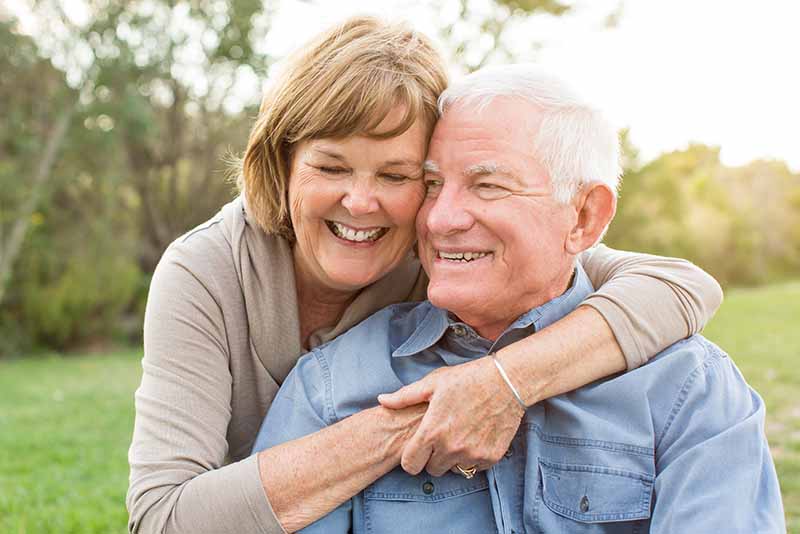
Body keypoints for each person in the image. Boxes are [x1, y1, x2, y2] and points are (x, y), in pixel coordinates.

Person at [127, 17, 724, 534]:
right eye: (331, 166)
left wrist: (502, 383)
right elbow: (161, 519)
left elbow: (680, 287)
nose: (361, 203)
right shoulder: (205, 271)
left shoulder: (445, 251)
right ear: (281, 166)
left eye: (398, 176)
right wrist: (423, 418)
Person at [253, 64, 785, 533]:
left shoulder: (688, 391)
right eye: (433, 185)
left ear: (584, 217)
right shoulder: (331, 386)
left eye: (488, 186)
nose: (440, 219)